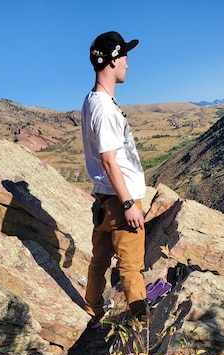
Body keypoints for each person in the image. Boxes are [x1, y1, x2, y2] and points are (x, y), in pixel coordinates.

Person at [81, 31, 147, 328]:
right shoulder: (105, 109)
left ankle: (92, 311)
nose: (128, 65)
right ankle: (143, 329)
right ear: (111, 61)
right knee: (131, 268)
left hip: (104, 199)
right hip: (120, 202)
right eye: (124, 58)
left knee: (99, 261)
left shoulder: (91, 100)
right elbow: (109, 160)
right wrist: (130, 202)